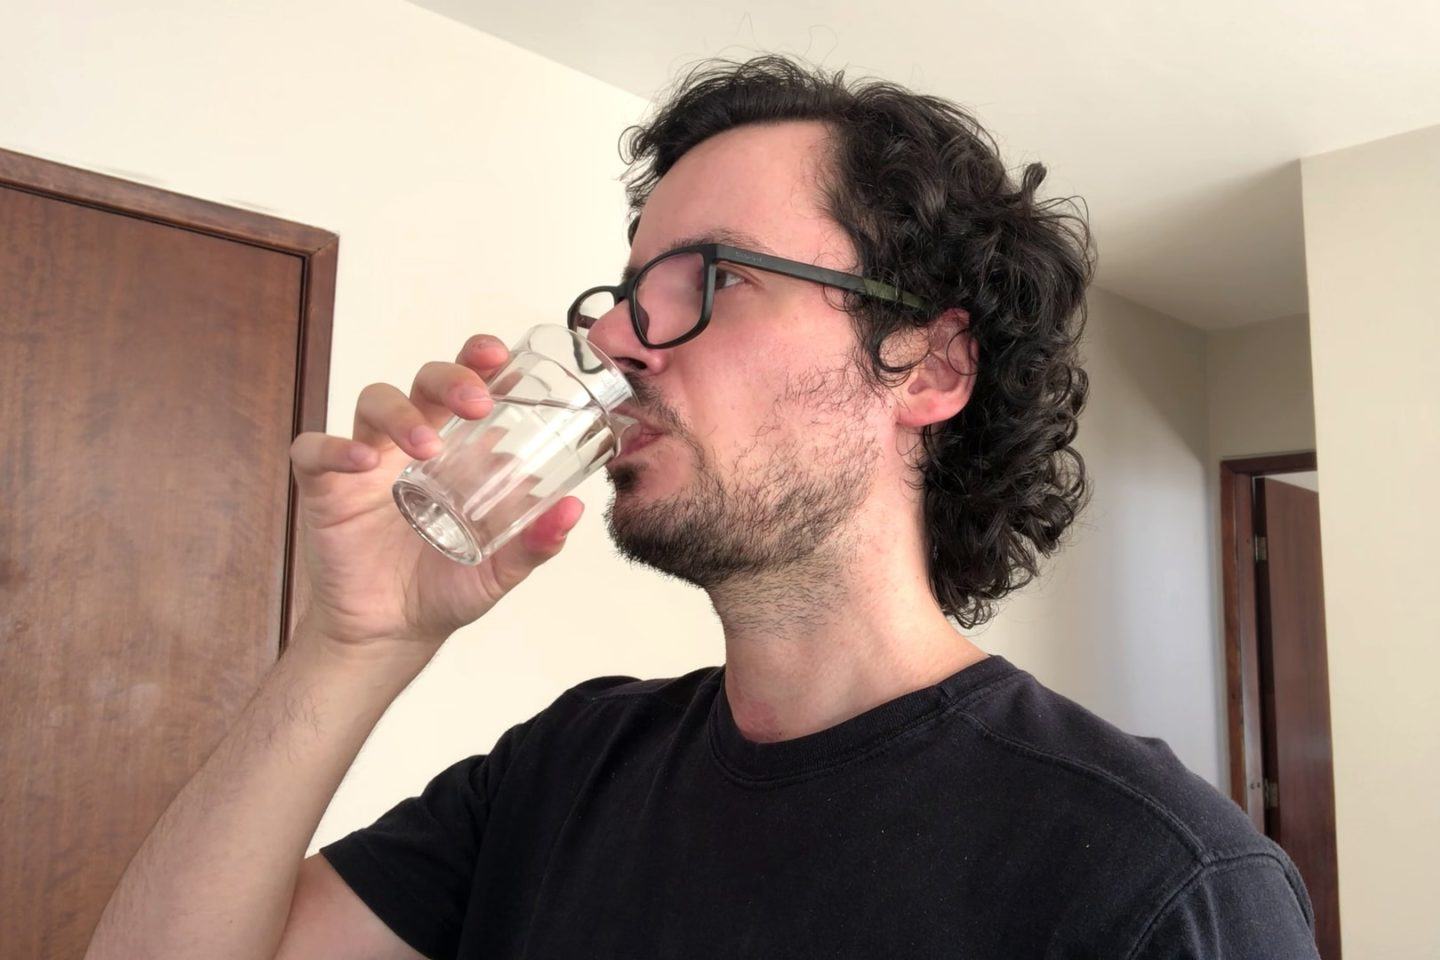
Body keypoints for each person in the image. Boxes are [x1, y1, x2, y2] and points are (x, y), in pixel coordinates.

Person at [85, 55, 1320, 959]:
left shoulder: (1163, 882)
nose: (620, 337)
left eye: (708, 279)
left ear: (929, 369)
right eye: (623, 293)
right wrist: (355, 643)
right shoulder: (563, 773)